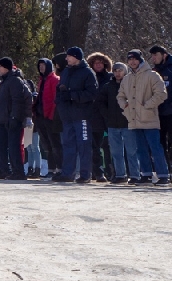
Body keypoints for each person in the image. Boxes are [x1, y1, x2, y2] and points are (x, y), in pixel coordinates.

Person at [119, 49, 169, 185]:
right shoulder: (127, 78)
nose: (132, 61)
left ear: (140, 60)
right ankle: (145, 174)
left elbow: (161, 94)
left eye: (135, 59)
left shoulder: (152, 75)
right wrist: (125, 107)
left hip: (149, 118)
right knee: (140, 148)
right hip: (134, 119)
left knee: (155, 147)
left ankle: (163, 174)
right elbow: (120, 96)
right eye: (130, 59)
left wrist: (147, 105)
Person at [53, 47, 97, 184]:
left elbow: (92, 93)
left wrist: (72, 96)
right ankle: (67, 173)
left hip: (82, 115)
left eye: (69, 56)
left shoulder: (88, 73)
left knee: (84, 145)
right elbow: (59, 89)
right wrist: (60, 99)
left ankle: (85, 174)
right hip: (67, 116)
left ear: (76, 57)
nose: (66, 59)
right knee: (68, 144)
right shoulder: (66, 72)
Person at [0, 58, 33, 180]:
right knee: (1, 144)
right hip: (4, 120)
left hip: (13, 119)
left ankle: (18, 172)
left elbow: (18, 101)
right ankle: (4, 170)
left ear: (6, 67)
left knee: (14, 146)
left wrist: (15, 117)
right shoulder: (5, 82)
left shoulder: (15, 80)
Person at [101, 62, 139, 184]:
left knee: (131, 151)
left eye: (120, 70)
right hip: (112, 124)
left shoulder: (131, 84)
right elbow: (101, 103)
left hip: (128, 123)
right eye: (115, 70)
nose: (118, 73)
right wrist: (107, 115)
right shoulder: (108, 86)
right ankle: (120, 174)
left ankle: (135, 175)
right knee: (116, 152)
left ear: (125, 71)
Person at [86, 52, 113, 181]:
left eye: (101, 62)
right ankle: (97, 172)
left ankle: (112, 171)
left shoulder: (110, 78)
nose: (98, 65)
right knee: (94, 147)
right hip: (93, 116)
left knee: (109, 147)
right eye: (95, 62)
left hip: (108, 116)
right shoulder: (88, 77)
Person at [33, 59, 62, 177]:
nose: (41, 68)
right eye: (39, 65)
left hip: (51, 117)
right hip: (41, 117)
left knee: (55, 144)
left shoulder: (55, 80)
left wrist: (52, 115)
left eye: (43, 65)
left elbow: (55, 100)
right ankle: (51, 169)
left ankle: (59, 168)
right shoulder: (41, 80)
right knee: (47, 145)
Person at [148, 46, 172, 166]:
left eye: (156, 55)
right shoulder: (154, 71)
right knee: (160, 143)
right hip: (158, 114)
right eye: (152, 56)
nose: (153, 58)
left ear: (164, 55)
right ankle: (166, 170)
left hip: (170, 112)